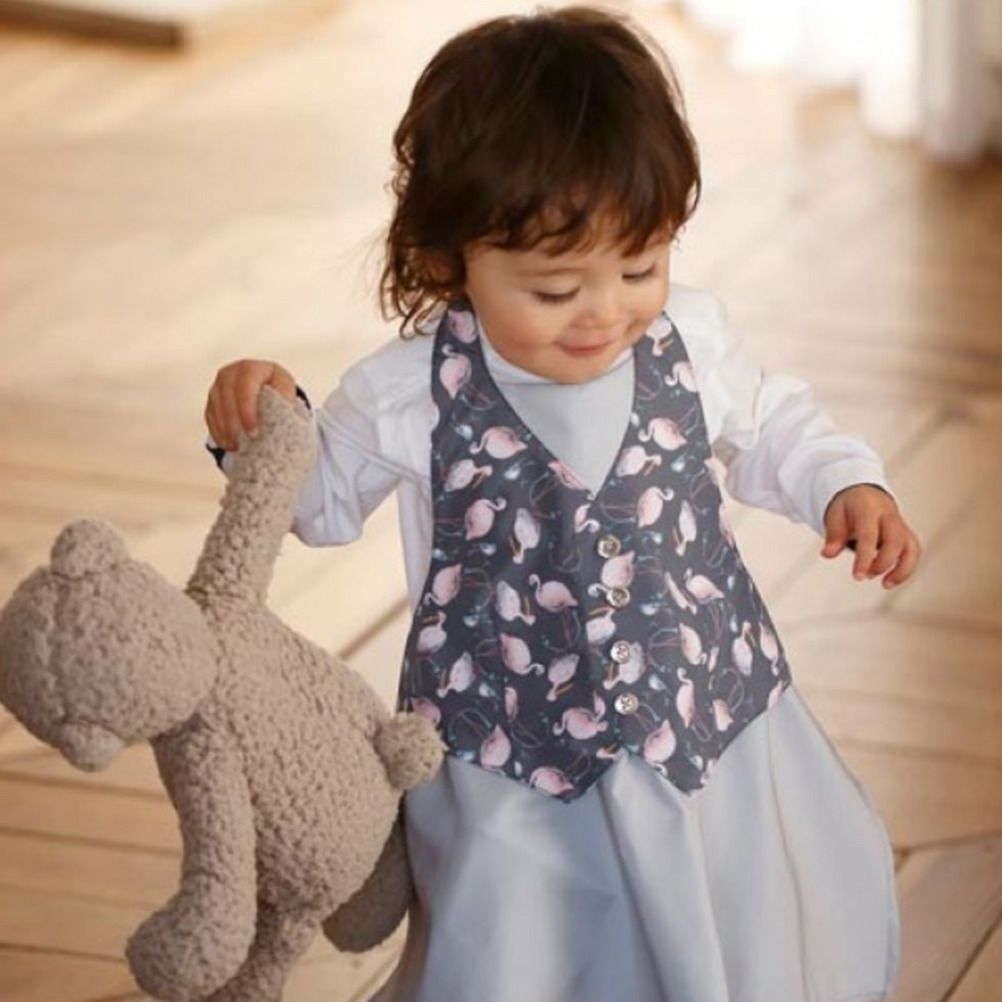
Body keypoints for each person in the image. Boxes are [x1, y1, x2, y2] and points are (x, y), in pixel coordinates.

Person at [203, 7, 921, 1001]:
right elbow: (317, 506)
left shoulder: (688, 340)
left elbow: (773, 424)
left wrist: (846, 481)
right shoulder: (408, 392)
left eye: (641, 268)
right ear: (447, 259)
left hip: (701, 717)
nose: (606, 311)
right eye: (552, 290)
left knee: (727, 917)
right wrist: (262, 426)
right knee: (520, 951)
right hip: (508, 755)